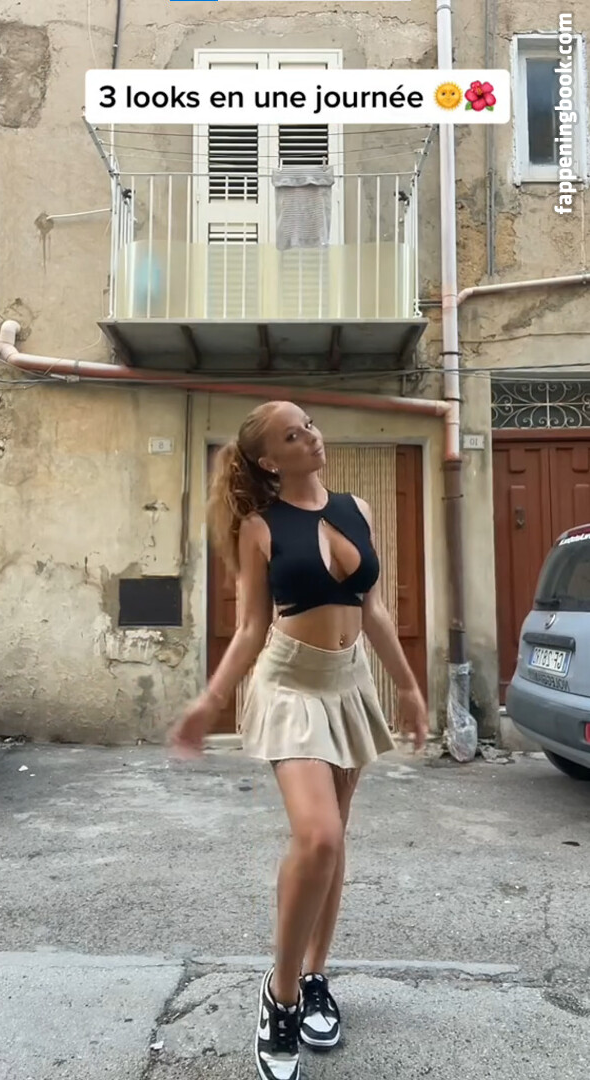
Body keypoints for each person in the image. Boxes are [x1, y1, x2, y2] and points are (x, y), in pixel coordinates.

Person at [170, 400, 428, 1080]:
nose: (311, 436)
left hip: (349, 682)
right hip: (290, 685)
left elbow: (374, 611)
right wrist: (210, 700)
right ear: (268, 459)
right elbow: (250, 628)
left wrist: (407, 688)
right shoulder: (259, 527)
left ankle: (316, 977)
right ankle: (280, 997)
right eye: (292, 434)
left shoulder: (356, 509)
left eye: (309, 424)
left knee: (334, 840)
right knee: (317, 836)